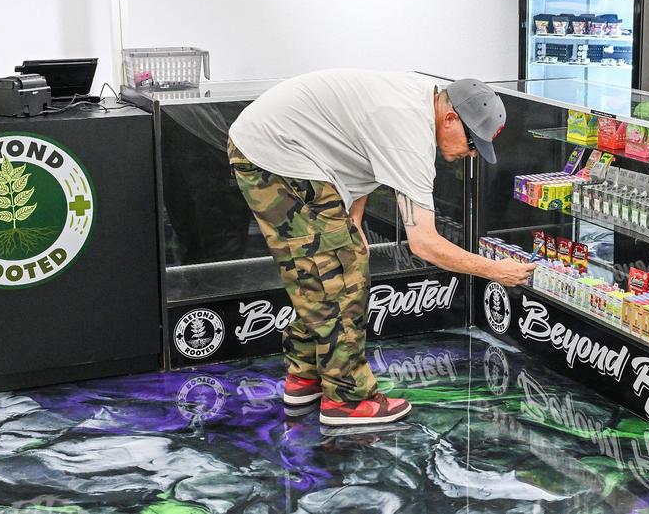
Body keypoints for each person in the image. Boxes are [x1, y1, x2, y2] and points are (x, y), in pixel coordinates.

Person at [227, 69, 535, 426]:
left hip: (279, 145)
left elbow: (363, 157)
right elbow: (425, 244)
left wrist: (353, 221)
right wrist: (496, 271)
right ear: (451, 118)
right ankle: (347, 400)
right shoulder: (409, 133)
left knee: (333, 267)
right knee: (338, 278)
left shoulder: (421, 100)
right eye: (472, 144)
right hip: (275, 154)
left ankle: (305, 377)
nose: (471, 155)